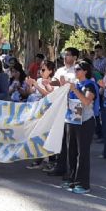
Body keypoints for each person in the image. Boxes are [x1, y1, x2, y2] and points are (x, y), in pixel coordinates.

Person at [60, 60, 98, 194]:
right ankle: (72, 179)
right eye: (75, 69)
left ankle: (83, 183)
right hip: (72, 120)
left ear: (85, 71)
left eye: (78, 69)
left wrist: (74, 89)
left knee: (83, 153)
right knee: (71, 151)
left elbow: (87, 101)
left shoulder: (90, 85)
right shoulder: (75, 84)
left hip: (85, 121)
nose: (75, 71)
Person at [45, 47, 79, 176]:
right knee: (60, 138)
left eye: (68, 55)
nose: (65, 57)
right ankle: (60, 166)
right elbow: (55, 83)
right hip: (59, 107)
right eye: (65, 55)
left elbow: (75, 87)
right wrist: (49, 82)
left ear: (75, 57)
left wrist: (64, 84)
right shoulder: (60, 70)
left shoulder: (77, 71)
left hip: (72, 108)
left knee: (72, 141)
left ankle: (73, 170)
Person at [25, 59, 56, 169]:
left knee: (49, 137)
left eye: (44, 69)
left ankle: (52, 161)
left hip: (48, 113)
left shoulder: (53, 81)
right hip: (37, 112)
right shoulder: (38, 80)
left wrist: (38, 86)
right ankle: (38, 159)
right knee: (37, 136)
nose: (41, 72)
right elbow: (31, 92)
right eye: (40, 69)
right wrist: (30, 85)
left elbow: (50, 95)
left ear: (50, 71)